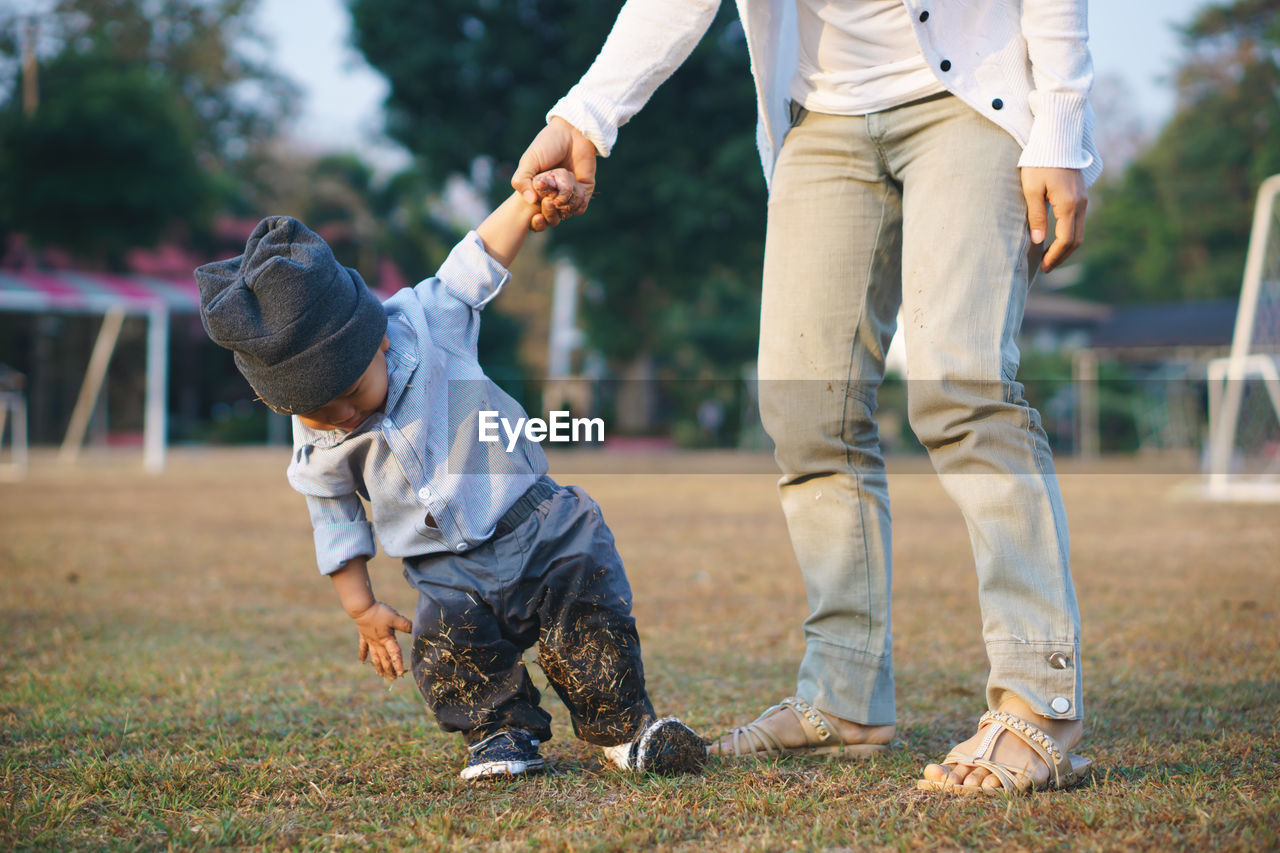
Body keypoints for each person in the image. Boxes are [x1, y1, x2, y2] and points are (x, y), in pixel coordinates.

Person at [513, 0, 1099, 795]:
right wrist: (584, 116)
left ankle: (1042, 699)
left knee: (961, 387)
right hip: (822, 117)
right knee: (806, 409)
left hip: (970, 100)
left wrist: (1060, 123)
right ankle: (845, 698)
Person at [195, 174, 706, 782]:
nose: (343, 417)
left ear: (378, 340)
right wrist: (362, 607)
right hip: (444, 570)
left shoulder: (427, 320)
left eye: (352, 393)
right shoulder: (318, 440)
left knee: (590, 620)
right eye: (317, 413)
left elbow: (478, 258)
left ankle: (626, 732)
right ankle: (500, 735)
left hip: (541, 524)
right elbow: (333, 518)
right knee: (448, 654)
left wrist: (526, 203)